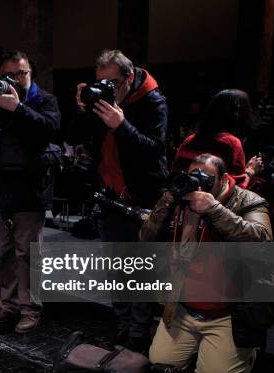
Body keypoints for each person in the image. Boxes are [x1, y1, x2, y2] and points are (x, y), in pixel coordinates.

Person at [141, 153, 274, 373]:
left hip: (227, 315)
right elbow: (145, 237)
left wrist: (214, 209)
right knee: (158, 362)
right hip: (183, 307)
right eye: (193, 177)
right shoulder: (179, 198)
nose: (198, 184)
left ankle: (247, 352)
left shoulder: (248, 200)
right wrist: (165, 203)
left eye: (206, 178)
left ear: (223, 179)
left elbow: (263, 243)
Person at [75, 49, 169, 352]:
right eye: (100, 82)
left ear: (129, 77)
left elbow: (154, 150)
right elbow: (85, 141)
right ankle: (123, 326)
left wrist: (122, 125)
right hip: (109, 197)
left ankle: (139, 334)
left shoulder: (154, 101)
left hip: (142, 198)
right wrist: (85, 110)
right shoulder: (102, 99)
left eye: (112, 83)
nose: (106, 89)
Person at [0, 50, 60, 333]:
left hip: (29, 189)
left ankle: (31, 308)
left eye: (22, 73)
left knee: (28, 253)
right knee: (4, 252)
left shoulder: (44, 100)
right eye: (9, 75)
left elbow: (50, 129)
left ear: (31, 73)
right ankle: (10, 304)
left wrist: (18, 108)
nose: (16, 79)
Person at [172, 89, 263, 189]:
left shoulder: (189, 140)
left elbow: (175, 176)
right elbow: (235, 189)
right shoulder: (231, 143)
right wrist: (250, 171)